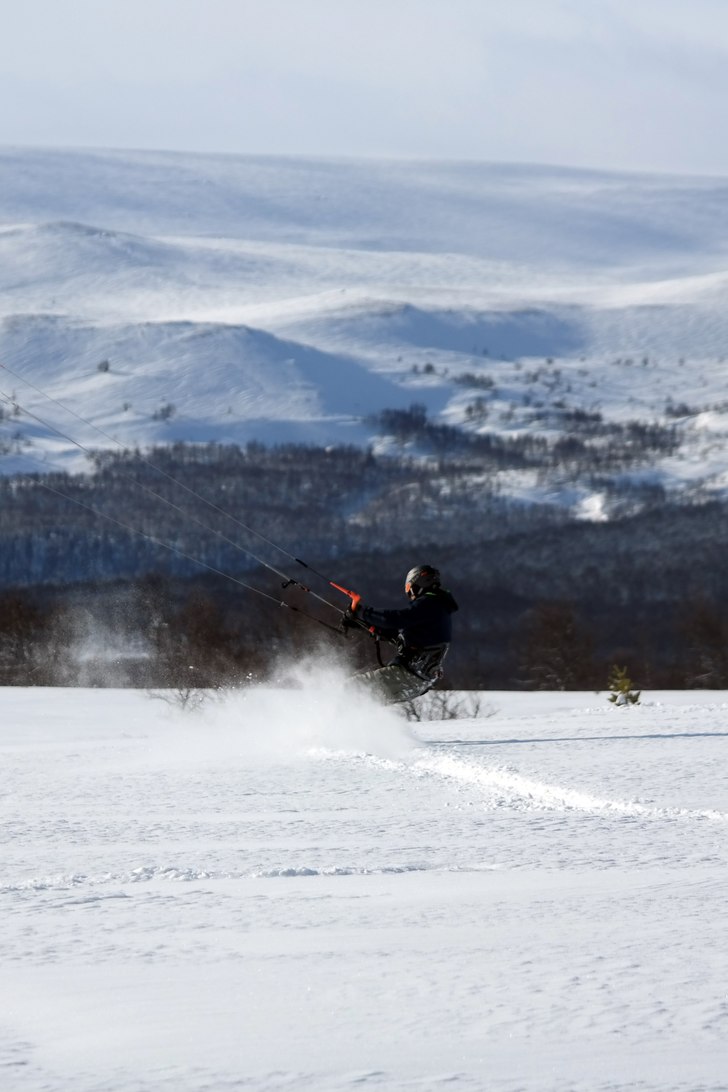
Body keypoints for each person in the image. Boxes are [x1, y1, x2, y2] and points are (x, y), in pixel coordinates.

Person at [343, 564, 458, 704]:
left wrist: (362, 612)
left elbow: (395, 619)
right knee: (365, 702)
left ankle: (327, 723)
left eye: (409, 588)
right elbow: (399, 635)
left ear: (417, 584)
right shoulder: (438, 608)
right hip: (418, 680)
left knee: (348, 689)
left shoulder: (430, 604)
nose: (410, 594)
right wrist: (359, 624)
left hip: (409, 676)